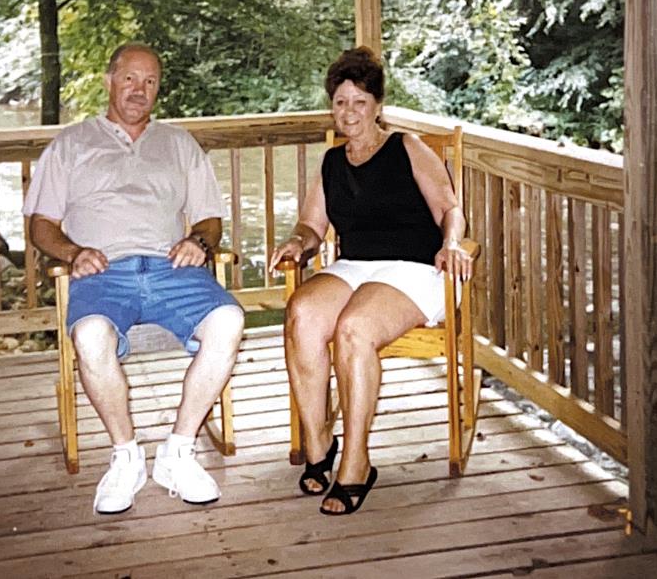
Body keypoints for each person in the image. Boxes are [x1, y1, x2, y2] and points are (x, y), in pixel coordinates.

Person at [25, 42, 244, 515]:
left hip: (171, 268)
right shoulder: (71, 143)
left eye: (149, 82)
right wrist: (72, 252)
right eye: (129, 78)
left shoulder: (179, 143)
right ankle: (126, 457)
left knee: (229, 320)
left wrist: (199, 244)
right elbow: (40, 224)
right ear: (109, 81)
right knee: (90, 333)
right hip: (103, 272)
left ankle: (178, 451)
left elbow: (209, 220)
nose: (138, 90)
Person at [268, 46, 473, 516]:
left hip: (418, 267)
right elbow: (312, 228)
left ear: (378, 106)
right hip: (356, 266)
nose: (350, 112)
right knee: (302, 312)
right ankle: (320, 444)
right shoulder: (332, 163)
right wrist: (296, 244)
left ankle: (357, 462)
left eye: (360, 102)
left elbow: (449, 208)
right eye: (341, 102)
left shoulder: (407, 147)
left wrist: (453, 243)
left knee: (353, 329)